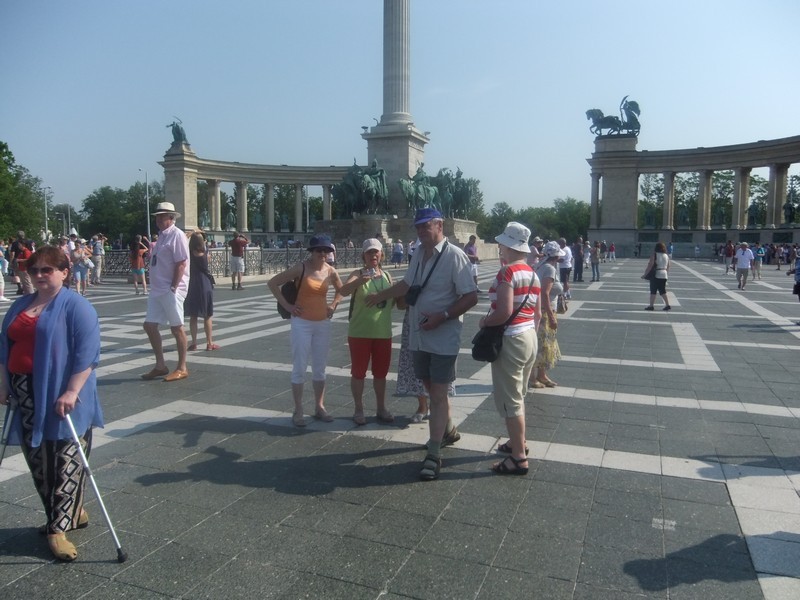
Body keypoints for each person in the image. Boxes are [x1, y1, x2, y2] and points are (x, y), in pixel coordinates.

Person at [0, 245, 103, 561]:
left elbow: (88, 353)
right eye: (34, 270)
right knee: (38, 460)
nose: (40, 275)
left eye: (47, 269)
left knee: (64, 459)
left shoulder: (77, 306)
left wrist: (72, 391)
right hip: (25, 394)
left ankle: (57, 529)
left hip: (62, 394)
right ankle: (72, 511)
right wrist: (3, 383)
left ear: (64, 272)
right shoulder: (21, 304)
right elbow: (4, 346)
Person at [365, 208, 478, 481]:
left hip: (443, 338)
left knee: (437, 394)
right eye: (418, 227)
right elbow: (407, 284)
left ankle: (434, 453)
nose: (420, 231)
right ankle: (448, 430)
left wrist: (444, 316)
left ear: (439, 225)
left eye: (426, 226)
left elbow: (471, 296)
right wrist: (381, 295)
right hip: (418, 335)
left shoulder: (455, 256)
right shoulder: (417, 253)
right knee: (430, 388)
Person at [268, 235, 343, 427]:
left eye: (326, 251)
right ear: (312, 251)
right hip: (301, 323)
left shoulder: (330, 271)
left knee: (320, 367)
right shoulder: (300, 268)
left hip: (322, 323)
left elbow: (341, 290)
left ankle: (319, 406)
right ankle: (298, 409)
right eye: (319, 250)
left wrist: (333, 304)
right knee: (300, 366)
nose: (322, 254)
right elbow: (273, 283)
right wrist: (288, 306)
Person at [483, 222, 540, 476]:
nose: (499, 249)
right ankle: (518, 442)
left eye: (501, 245)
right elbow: (537, 314)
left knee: (511, 400)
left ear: (508, 246)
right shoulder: (532, 272)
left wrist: (484, 322)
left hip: (512, 339)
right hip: (529, 337)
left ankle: (518, 458)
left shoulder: (507, 272)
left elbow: (504, 312)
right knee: (519, 395)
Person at [339, 239, 397, 425]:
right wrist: (359, 281)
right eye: (369, 252)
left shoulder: (387, 276)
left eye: (376, 252)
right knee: (358, 373)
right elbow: (343, 291)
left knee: (381, 373)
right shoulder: (357, 274)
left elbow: (394, 302)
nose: (373, 255)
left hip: (383, 332)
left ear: (381, 254)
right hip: (360, 332)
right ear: (363, 256)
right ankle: (358, 408)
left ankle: (381, 407)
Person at [141, 202, 190, 382]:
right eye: (158, 216)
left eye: (162, 216)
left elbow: (181, 262)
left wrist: (174, 287)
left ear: (171, 218)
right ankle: (160, 365)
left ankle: (182, 367)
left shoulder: (177, 235)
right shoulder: (162, 236)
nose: (159, 219)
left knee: (177, 327)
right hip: (158, 289)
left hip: (170, 289)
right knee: (149, 325)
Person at [530, 241, 564, 389]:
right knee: (541, 344)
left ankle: (541, 375)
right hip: (545, 311)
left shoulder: (540, 266)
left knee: (544, 344)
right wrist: (551, 316)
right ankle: (532, 377)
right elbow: (544, 293)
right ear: (556, 256)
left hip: (541, 309)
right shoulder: (549, 269)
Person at [185, 232, 219, 351]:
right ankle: (209, 343)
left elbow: (184, 240)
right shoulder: (205, 254)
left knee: (193, 316)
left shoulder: (188, 254)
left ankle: (194, 343)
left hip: (192, 284)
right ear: (202, 242)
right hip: (204, 284)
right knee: (207, 315)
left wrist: (189, 234)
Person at [643, 242, 671, 311]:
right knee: (662, 291)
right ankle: (667, 305)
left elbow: (650, 265)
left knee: (653, 290)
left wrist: (645, 274)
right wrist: (666, 272)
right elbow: (668, 265)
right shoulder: (666, 255)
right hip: (664, 274)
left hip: (656, 274)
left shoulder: (654, 255)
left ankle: (651, 306)